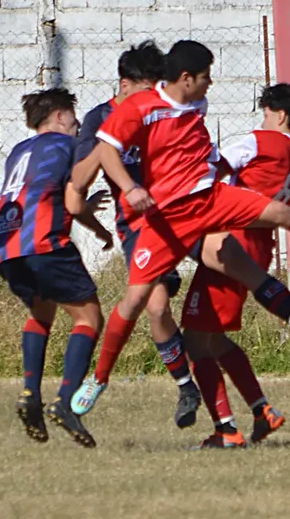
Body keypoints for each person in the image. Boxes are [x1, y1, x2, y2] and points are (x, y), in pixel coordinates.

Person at [69, 41, 290, 419]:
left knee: (281, 216)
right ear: (186, 78)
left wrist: (212, 168)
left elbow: (196, 147)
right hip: (163, 219)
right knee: (137, 301)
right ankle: (98, 378)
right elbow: (107, 152)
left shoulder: (196, 103)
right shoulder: (139, 108)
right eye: (206, 77)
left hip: (208, 199)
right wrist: (131, 187)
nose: (211, 84)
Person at [181, 83, 290, 449]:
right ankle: (261, 411)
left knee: (195, 339)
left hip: (231, 240)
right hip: (260, 245)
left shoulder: (262, 142)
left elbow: (213, 166)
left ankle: (226, 430)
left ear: (280, 115)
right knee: (213, 338)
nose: (263, 119)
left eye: (266, 113)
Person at [70, 41, 200, 428]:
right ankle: (185, 387)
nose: (151, 99)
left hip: (182, 213)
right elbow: (78, 181)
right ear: (124, 85)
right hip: (138, 225)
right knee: (155, 307)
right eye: (145, 91)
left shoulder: (164, 111)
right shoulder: (99, 119)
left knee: (230, 258)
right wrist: (107, 141)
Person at [0, 87, 114, 448]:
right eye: (73, 118)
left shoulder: (18, 152)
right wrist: (101, 228)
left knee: (42, 311)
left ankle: (30, 392)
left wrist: (86, 211)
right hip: (42, 239)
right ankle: (67, 401)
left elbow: (44, 190)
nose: (77, 125)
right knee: (89, 317)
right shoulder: (67, 146)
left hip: (4, 244)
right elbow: (72, 205)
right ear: (59, 116)